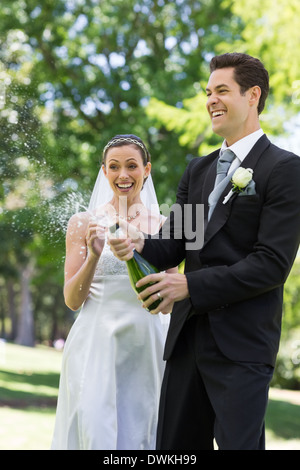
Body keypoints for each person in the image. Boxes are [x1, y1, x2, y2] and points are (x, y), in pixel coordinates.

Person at [109, 54, 300, 450]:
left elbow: (271, 265)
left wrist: (189, 285)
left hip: (243, 345)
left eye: (222, 91)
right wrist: (136, 244)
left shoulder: (284, 169)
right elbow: (177, 243)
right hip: (186, 340)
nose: (211, 100)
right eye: (208, 92)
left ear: (253, 95)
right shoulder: (198, 170)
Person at [51, 134, 177, 450]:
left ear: (146, 170)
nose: (123, 175)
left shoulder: (165, 226)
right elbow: (72, 299)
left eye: (132, 166)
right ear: (104, 171)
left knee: (142, 432)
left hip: (145, 345)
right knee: (95, 430)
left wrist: (142, 264)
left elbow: (169, 304)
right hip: (96, 343)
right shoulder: (84, 223)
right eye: (114, 167)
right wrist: (94, 255)